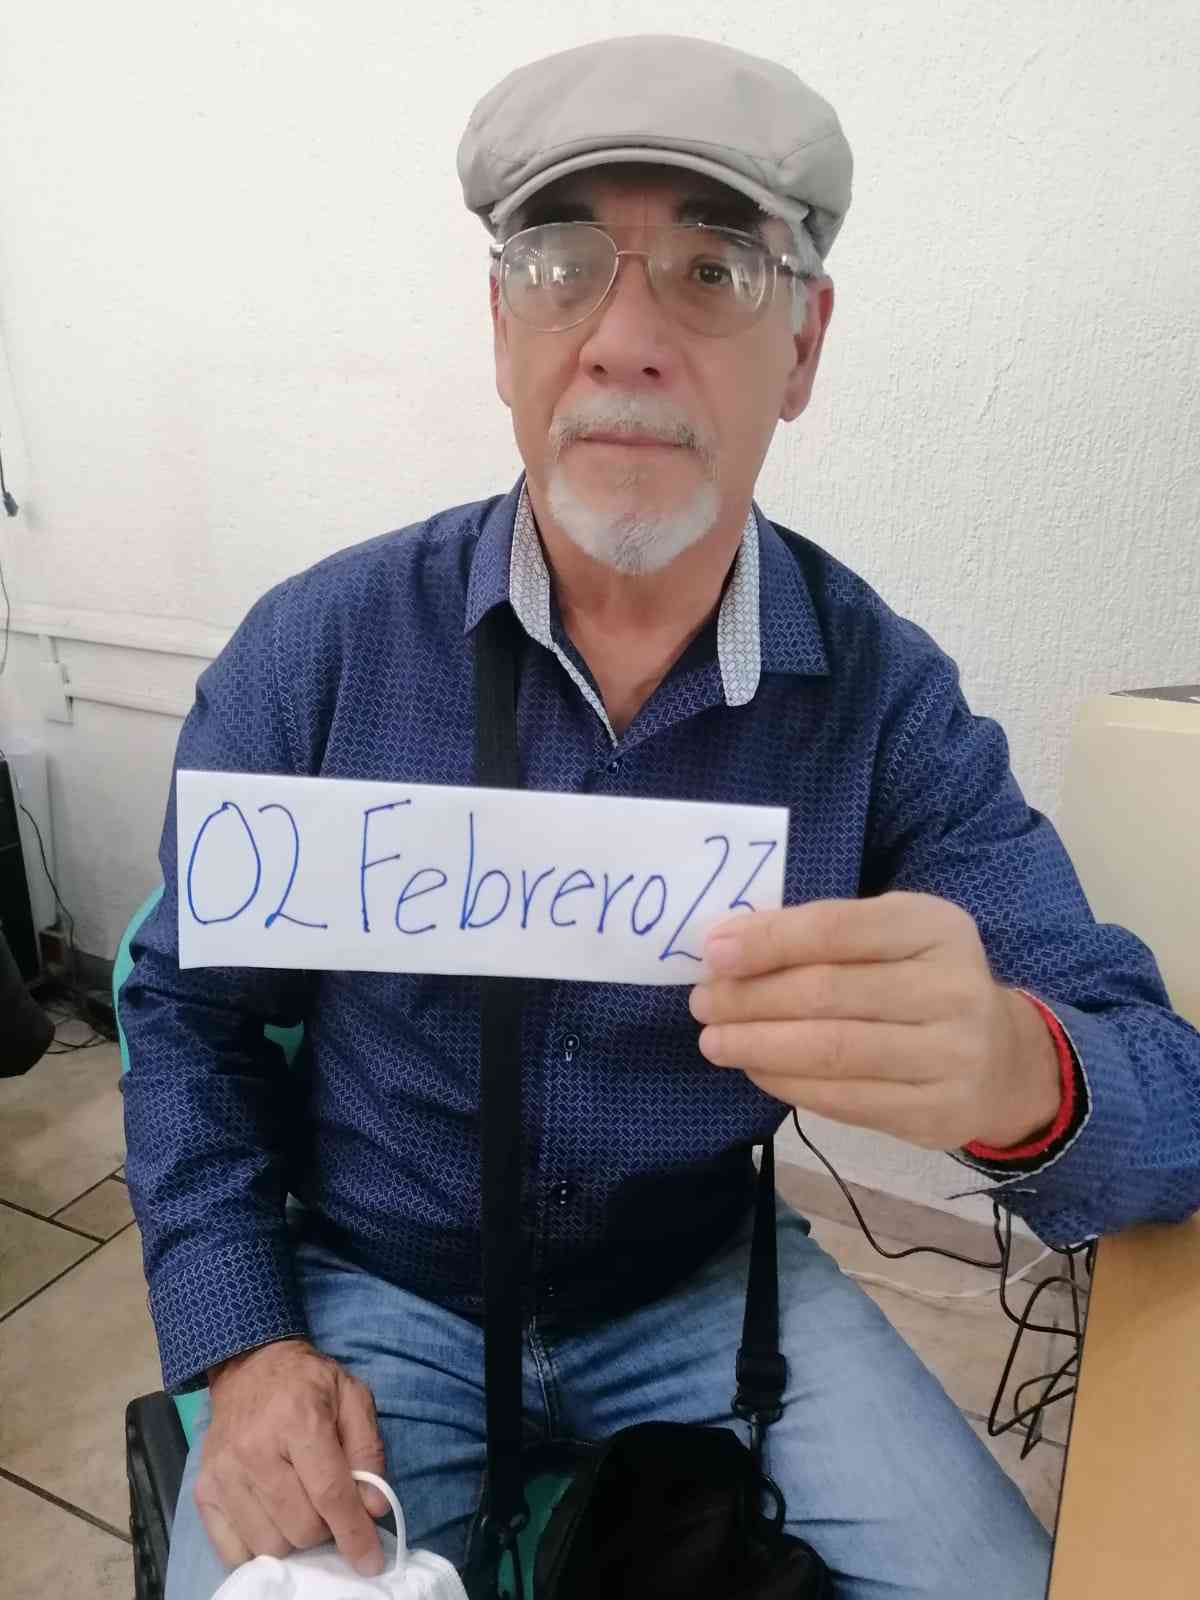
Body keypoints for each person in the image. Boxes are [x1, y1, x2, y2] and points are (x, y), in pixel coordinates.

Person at [121, 35, 1200, 1600]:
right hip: (375, 1290)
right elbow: (185, 1023)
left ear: (804, 345)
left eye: (713, 272)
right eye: (562, 266)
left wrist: (1018, 1071)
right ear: (503, 328)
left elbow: (1169, 1103)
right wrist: (245, 1343)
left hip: (706, 1287)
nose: (625, 339)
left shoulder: (884, 700)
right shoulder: (317, 652)